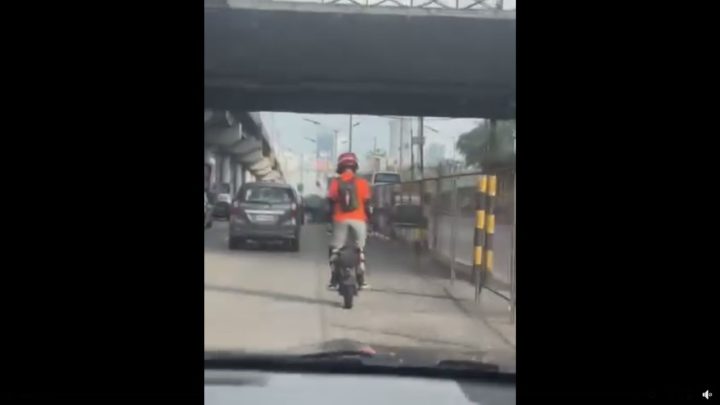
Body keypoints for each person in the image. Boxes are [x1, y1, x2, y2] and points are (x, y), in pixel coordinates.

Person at [326, 152, 372, 290]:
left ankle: (334, 279)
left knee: (335, 249)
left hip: (340, 219)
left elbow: (330, 202)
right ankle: (361, 280)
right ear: (355, 166)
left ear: (340, 166)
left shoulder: (335, 183)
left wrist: (329, 222)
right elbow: (368, 203)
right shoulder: (362, 183)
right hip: (359, 220)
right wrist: (369, 221)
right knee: (360, 249)